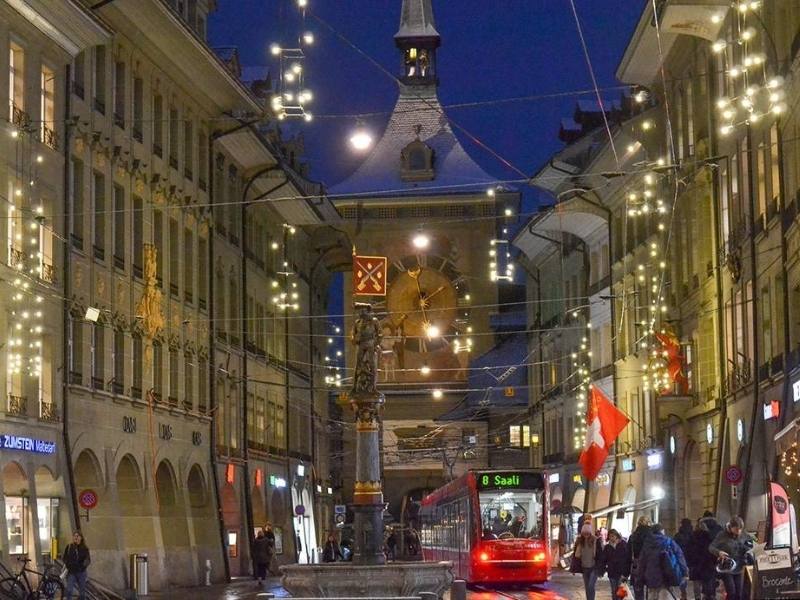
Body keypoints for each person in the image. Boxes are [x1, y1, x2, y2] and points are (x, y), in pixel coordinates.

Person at [635, 523, 688, 600]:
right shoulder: (669, 542)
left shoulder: (647, 545)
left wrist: (639, 580)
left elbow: (641, 564)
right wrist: (684, 572)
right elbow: (680, 556)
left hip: (651, 579)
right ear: (662, 531)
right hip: (666, 577)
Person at [709, 516, 752, 600]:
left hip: (739, 566)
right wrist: (719, 552)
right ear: (731, 527)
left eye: (740, 529)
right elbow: (711, 547)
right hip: (727, 567)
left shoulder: (744, 535)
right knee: (732, 592)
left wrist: (749, 549)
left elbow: (750, 544)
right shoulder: (722, 535)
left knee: (739, 593)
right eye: (736, 529)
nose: (738, 532)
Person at [687, 518, 717, 600]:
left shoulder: (692, 537)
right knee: (707, 583)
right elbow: (713, 552)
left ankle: (697, 598)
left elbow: (688, 551)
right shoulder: (710, 537)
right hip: (707, 564)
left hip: (695, 564)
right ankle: (706, 597)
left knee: (696, 583)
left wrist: (689, 562)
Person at [572, 523, 604, 600]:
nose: (585, 534)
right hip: (584, 567)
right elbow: (575, 555)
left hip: (594, 567)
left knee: (590, 586)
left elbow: (600, 555)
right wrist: (573, 568)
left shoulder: (596, 541)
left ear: (590, 532)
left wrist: (601, 568)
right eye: (584, 532)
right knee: (587, 587)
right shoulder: (580, 541)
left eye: (587, 532)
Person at [599, 529, 630, 598]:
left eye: (613, 536)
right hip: (612, 572)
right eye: (610, 536)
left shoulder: (623, 544)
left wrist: (626, 572)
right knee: (614, 591)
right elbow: (603, 560)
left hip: (621, 572)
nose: (611, 538)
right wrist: (601, 571)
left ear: (616, 536)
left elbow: (627, 559)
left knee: (621, 591)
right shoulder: (607, 547)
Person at [628, 516, 653, 600]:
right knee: (651, 590)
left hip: (637, 563)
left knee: (638, 589)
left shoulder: (633, 536)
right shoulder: (652, 535)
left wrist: (625, 571)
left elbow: (628, 553)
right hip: (650, 564)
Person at [63, 531, 91, 600]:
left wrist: (83, 566)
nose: (76, 537)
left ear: (81, 538)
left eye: (78, 536)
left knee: (82, 593)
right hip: (71, 573)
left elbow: (88, 559)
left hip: (81, 573)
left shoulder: (84, 548)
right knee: (69, 590)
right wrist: (68, 564)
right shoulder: (69, 547)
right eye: (74, 536)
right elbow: (65, 557)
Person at [673, 518, 694, 600]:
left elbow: (674, 546)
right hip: (691, 557)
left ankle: (683, 593)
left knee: (683, 575)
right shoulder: (693, 534)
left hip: (681, 557)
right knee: (691, 577)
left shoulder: (678, 535)